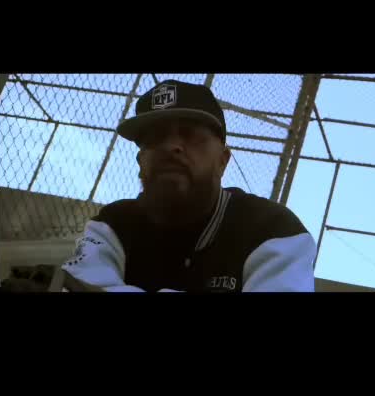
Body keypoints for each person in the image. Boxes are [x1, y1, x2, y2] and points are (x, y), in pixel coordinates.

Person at [58, 80, 316, 292]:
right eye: (156, 136)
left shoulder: (273, 229)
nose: (171, 146)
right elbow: (79, 283)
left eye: (191, 134)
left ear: (223, 160)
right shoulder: (112, 224)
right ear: (140, 161)